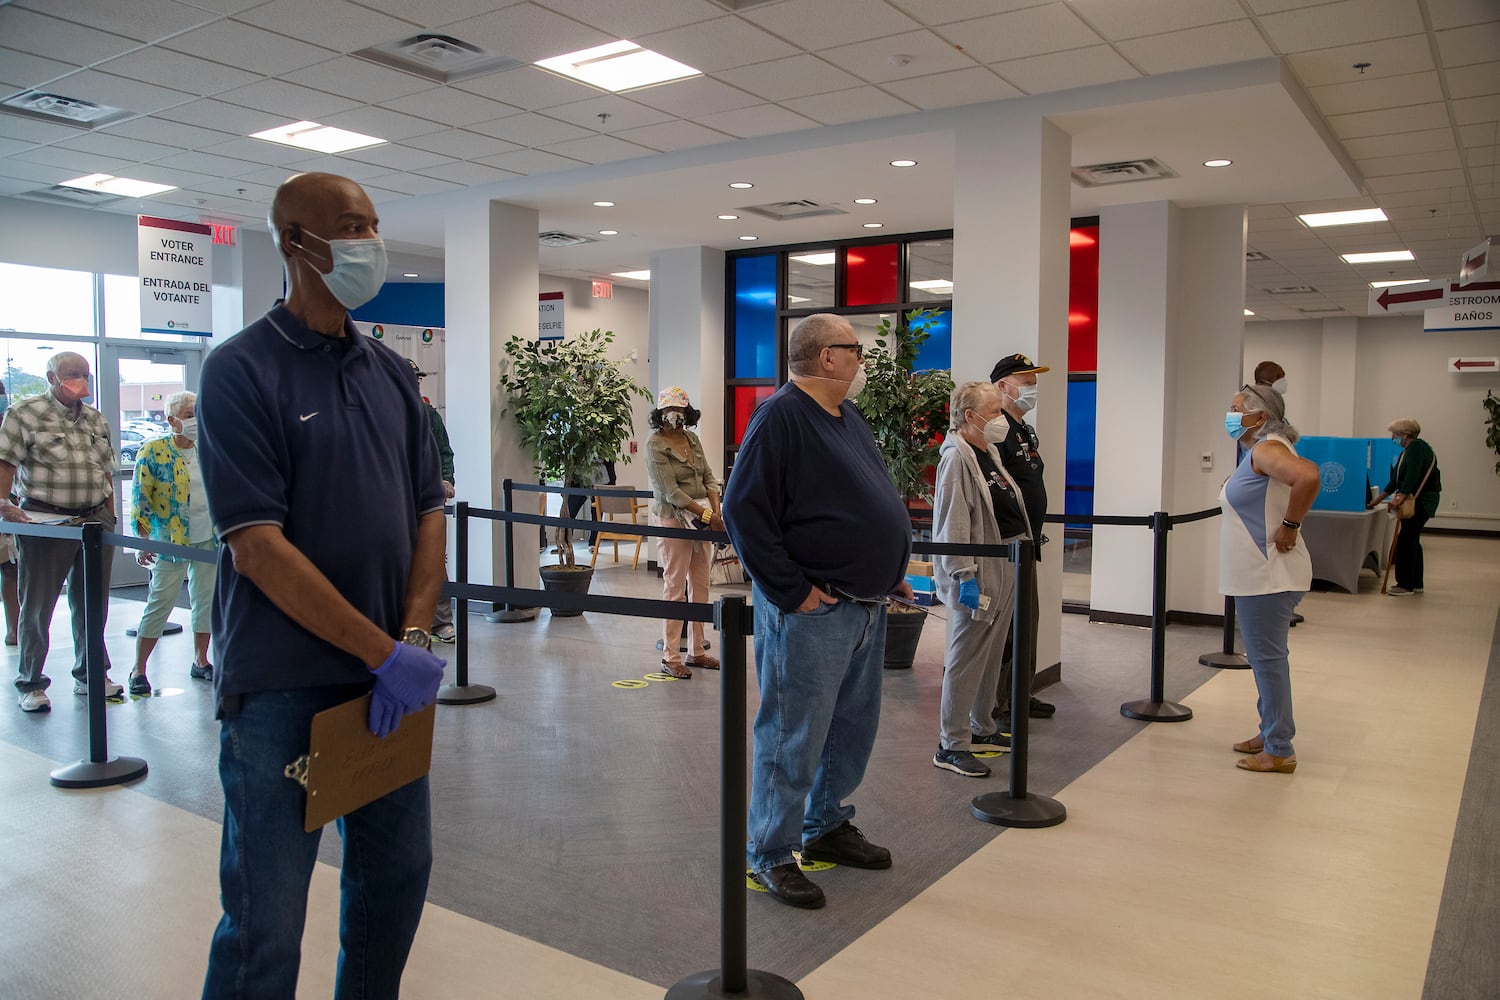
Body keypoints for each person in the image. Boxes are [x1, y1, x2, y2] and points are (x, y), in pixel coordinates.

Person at [198, 171, 448, 999]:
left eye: (373, 223)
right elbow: (258, 548)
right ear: (294, 242)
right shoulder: (240, 371)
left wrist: (410, 641)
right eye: (348, 226)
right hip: (280, 693)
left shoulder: (389, 374)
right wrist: (383, 650)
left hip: (384, 690)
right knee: (265, 923)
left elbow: (428, 511)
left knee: (395, 884)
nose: (368, 241)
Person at [723, 313, 913, 910]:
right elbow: (742, 508)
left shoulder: (848, 417)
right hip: (812, 609)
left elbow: (864, 496)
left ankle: (826, 825)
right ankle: (769, 851)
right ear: (826, 358)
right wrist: (790, 590)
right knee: (793, 734)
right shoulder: (779, 416)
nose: (861, 360)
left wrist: (891, 567)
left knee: (850, 729)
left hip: (863, 603)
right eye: (854, 350)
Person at [0, 351, 122, 713]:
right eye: (71, 374)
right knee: (38, 605)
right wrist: (3, 505)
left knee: (93, 604)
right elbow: (5, 461)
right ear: (52, 376)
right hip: (45, 519)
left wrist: (111, 518)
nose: (80, 380)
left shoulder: (95, 419)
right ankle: (32, 683)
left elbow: (105, 473)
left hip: (94, 519)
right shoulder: (24, 413)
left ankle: (91, 675)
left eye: (84, 373)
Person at [931, 382, 1031, 778]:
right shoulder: (955, 459)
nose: (1001, 419)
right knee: (966, 656)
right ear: (970, 416)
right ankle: (950, 744)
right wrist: (963, 574)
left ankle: (982, 728)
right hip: (977, 570)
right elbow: (952, 524)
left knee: (991, 654)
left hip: (1005, 564)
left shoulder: (986, 452)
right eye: (993, 411)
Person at [1220, 384, 1319, 774]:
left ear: (1260, 418)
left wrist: (1290, 525)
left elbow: (1309, 476)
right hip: (1261, 577)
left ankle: (1279, 747)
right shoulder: (1258, 450)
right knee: (1266, 662)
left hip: (1268, 578)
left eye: (1236, 409)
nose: (1229, 415)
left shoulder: (1266, 448)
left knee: (1268, 662)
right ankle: (1270, 731)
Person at [127, 390, 215, 695]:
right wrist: (143, 540)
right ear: (171, 420)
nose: (195, 420)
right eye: (189, 415)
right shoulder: (152, 451)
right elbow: (140, 499)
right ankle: (138, 669)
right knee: (160, 602)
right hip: (170, 539)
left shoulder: (209, 448)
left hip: (208, 537)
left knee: (205, 601)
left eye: (197, 413)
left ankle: (200, 660)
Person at [988, 353, 1054, 729]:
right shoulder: (996, 429)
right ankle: (999, 705)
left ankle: (1020, 695)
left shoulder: (1024, 429)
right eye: (1026, 380)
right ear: (1002, 386)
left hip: (1028, 542)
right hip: (1007, 544)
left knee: (1028, 623)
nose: (1032, 387)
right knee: (1008, 628)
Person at [645, 386, 721, 679]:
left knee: (700, 585)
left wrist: (716, 512)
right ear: (660, 414)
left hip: (705, 520)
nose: (672, 415)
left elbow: (709, 479)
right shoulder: (655, 446)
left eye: (677, 409)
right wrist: (707, 515)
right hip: (675, 520)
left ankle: (697, 651)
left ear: (687, 412)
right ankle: (670, 655)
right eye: (667, 410)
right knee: (675, 586)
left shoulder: (693, 439)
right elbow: (671, 492)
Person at [409, 359, 458, 642]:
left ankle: (441, 622)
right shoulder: (381, 413)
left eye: (417, 379)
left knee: (434, 562)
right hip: (394, 504)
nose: (414, 384)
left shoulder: (429, 415)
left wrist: (446, 480)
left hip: (428, 502)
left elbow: (444, 453)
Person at [1370, 418, 1440, 597]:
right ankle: (1416, 583)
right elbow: (1396, 479)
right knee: (1412, 539)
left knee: (1406, 540)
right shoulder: (1408, 450)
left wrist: (1400, 497)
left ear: (1405, 434)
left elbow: (1412, 475)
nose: (1393, 437)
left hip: (1421, 501)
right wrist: (1379, 499)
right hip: (1421, 499)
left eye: (1394, 433)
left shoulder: (1416, 448)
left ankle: (1405, 584)